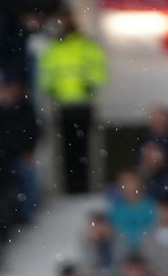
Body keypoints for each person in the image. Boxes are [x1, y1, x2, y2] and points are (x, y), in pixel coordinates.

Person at [37, 14, 108, 194]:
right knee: (68, 152)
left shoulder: (84, 46)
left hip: (82, 105)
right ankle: (71, 189)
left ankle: (83, 187)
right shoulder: (54, 49)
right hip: (63, 107)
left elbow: (99, 71)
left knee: (84, 150)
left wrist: (89, 83)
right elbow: (45, 77)